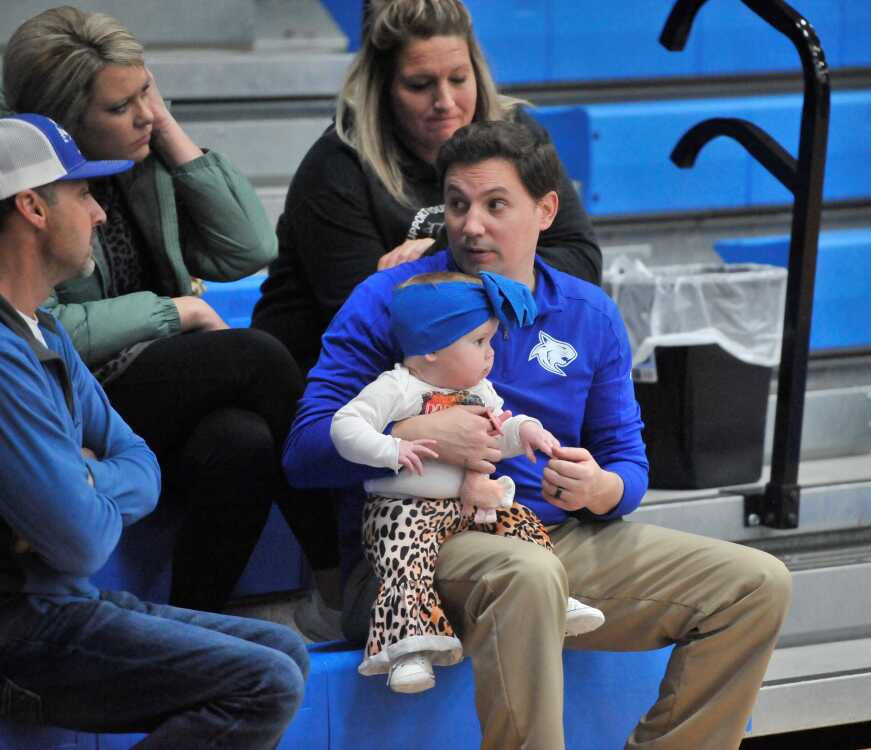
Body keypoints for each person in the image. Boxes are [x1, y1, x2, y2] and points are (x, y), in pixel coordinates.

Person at [284, 119, 792, 750]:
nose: (471, 225)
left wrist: (602, 488)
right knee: (529, 574)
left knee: (755, 585)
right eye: (457, 204)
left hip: (554, 536)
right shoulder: (393, 298)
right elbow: (303, 453)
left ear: (545, 210)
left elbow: (628, 465)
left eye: (496, 205)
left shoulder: (588, 312)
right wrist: (417, 432)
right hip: (411, 551)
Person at [252, 0, 603, 632]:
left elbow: (576, 260)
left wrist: (449, 250)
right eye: (420, 85)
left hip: (460, 374)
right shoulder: (337, 167)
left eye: (458, 78)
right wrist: (460, 261)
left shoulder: (516, 138)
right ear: (383, 88)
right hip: (344, 373)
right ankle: (338, 585)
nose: (445, 100)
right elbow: (393, 323)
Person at [0, 112, 308, 748]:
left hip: (58, 601)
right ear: (31, 207)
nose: (101, 214)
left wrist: (85, 476)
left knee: (282, 651)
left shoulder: (43, 329)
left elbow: (140, 458)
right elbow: (84, 543)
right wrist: (81, 487)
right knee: (265, 682)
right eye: (84, 195)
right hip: (18, 628)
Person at [2, 6, 311, 614]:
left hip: (155, 389)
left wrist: (164, 126)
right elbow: (43, 324)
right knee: (257, 357)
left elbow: (251, 247)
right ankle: (337, 561)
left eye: (148, 91)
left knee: (240, 440)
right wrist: (177, 312)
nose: (143, 114)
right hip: (80, 391)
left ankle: (200, 616)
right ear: (62, 123)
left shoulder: (148, 164)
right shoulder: (26, 194)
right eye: (120, 107)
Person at [331, 270, 605, 693]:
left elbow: (500, 428)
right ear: (431, 350)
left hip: (469, 507)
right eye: (479, 342)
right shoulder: (397, 387)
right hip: (404, 510)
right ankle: (408, 650)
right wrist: (389, 450)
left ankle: (557, 599)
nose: (490, 353)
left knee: (522, 524)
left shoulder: (480, 389)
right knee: (406, 566)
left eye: (490, 340)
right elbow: (344, 426)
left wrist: (525, 431)